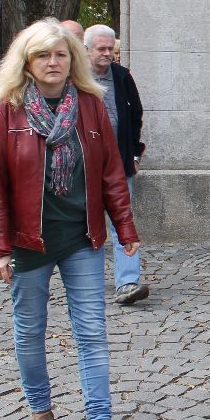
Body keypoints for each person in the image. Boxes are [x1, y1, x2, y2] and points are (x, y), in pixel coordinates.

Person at [0, 18, 138, 420]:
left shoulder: (90, 104)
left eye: (61, 54)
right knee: (30, 331)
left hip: (81, 237)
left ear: (73, 59)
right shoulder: (7, 109)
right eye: (43, 55)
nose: (53, 62)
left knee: (91, 332)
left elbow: (111, 172)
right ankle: (41, 412)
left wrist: (125, 228)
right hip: (28, 242)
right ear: (27, 62)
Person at [85, 24, 149, 306]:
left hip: (119, 163)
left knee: (122, 222)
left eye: (111, 49)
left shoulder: (122, 76)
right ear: (86, 49)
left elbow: (136, 115)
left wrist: (134, 154)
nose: (107, 53)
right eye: (101, 48)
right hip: (85, 166)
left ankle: (128, 282)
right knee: (87, 225)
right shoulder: (73, 78)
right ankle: (88, 281)